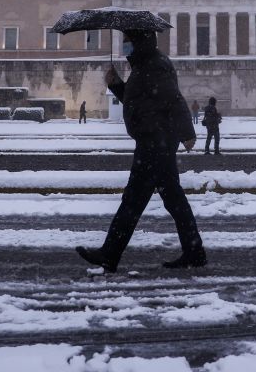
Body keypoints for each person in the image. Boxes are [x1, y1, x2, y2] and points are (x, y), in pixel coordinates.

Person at [76, 29, 206, 273]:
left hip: (155, 142)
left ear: (138, 42)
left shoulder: (154, 65)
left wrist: (187, 133)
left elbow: (173, 99)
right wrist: (116, 85)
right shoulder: (145, 65)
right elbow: (140, 102)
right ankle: (194, 251)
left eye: (127, 41)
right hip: (156, 140)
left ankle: (109, 253)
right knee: (173, 200)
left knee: (133, 201)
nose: (124, 45)